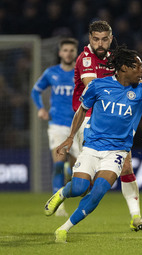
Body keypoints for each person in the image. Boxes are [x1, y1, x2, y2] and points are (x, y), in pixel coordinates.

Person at [44, 45, 142, 243]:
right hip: (91, 147)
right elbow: (81, 111)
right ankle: (62, 193)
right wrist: (71, 137)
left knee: (97, 193)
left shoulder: (141, 89)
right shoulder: (98, 86)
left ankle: (63, 229)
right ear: (124, 68)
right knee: (79, 188)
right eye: (138, 67)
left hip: (117, 151)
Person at [73, 20, 142, 230]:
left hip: (112, 118)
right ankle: (66, 196)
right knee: (84, 183)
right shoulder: (85, 59)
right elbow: (93, 87)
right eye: (96, 39)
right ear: (89, 39)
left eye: (105, 39)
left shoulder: (115, 59)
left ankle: (136, 217)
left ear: (111, 38)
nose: (100, 43)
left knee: (126, 165)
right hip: (88, 119)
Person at [31, 38, 80, 217]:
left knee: (77, 169)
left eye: (71, 50)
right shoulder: (51, 73)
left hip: (77, 126)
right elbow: (35, 91)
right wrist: (41, 108)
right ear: (60, 53)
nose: (68, 53)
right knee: (58, 164)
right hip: (57, 125)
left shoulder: (80, 74)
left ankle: (70, 170)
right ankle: (58, 204)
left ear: (76, 53)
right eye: (65, 50)